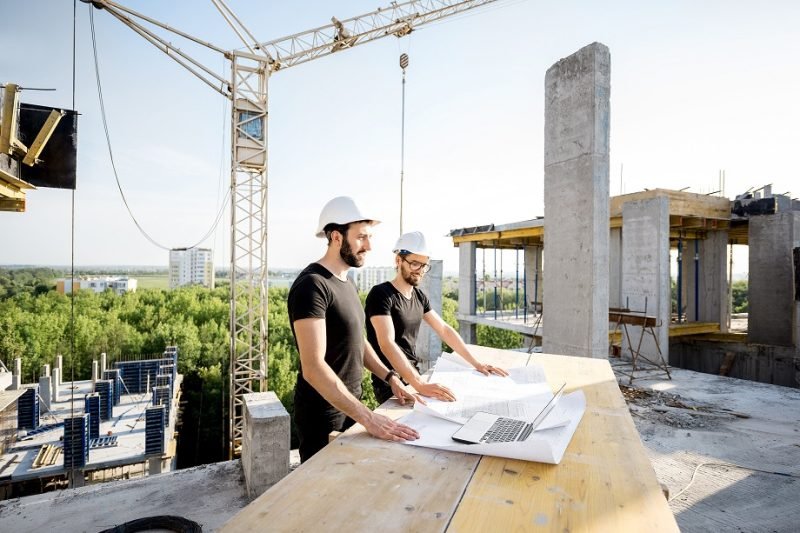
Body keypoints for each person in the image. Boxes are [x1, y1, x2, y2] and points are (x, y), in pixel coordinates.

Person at [288, 196, 420, 462]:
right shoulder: (312, 286)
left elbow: (356, 341)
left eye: (369, 237)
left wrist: (390, 377)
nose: (369, 246)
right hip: (323, 417)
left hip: (351, 407)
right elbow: (313, 368)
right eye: (361, 237)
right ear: (337, 237)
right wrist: (369, 418)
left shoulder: (347, 283)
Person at [365, 231, 509, 405]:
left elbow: (444, 329)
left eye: (424, 265)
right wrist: (418, 383)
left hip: (413, 376)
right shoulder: (381, 294)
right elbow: (386, 344)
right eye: (415, 264)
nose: (420, 271)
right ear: (398, 261)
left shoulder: (418, 296)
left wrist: (477, 363)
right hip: (390, 383)